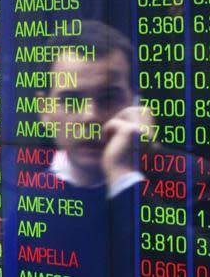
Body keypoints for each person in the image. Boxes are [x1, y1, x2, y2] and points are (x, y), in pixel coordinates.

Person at [17, 21, 149, 277]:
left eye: (108, 98)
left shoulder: (195, 180)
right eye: (71, 100)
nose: (89, 117)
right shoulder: (27, 205)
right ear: (44, 109)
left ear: (136, 102)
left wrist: (124, 177)